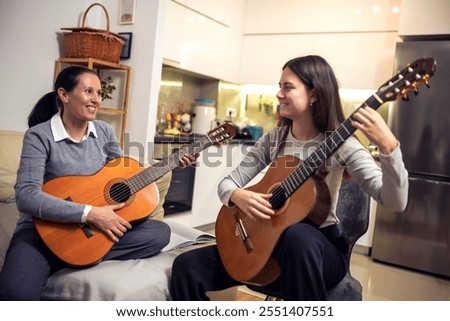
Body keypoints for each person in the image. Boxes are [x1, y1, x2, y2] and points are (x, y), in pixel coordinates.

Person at [170, 55, 409, 300]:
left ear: (314, 95)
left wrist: (390, 148)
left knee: (298, 236)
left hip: (318, 250)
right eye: (279, 86)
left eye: (288, 87)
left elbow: (394, 202)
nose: (279, 94)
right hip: (265, 245)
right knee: (185, 267)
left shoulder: (343, 145)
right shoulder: (275, 138)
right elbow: (227, 184)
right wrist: (238, 196)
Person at [0, 66, 194, 300]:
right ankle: (71, 256)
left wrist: (171, 163)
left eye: (99, 93)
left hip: (93, 231)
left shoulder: (104, 131)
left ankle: (79, 254)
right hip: (41, 232)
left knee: (159, 232)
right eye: (89, 91)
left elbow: (123, 177)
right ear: (64, 95)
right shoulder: (39, 136)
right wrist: (90, 214)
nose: (96, 100)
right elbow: (27, 196)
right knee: (15, 294)